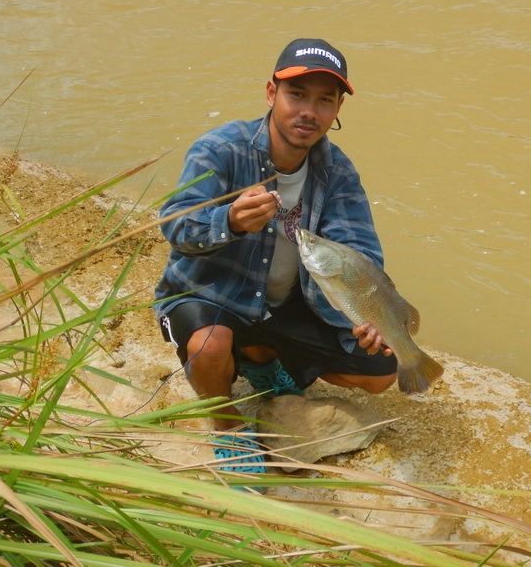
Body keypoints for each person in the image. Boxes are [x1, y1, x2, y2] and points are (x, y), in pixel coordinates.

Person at [154, 38, 397, 475]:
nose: (309, 111)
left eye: (325, 100)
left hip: (283, 304)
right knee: (209, 346)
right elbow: (174, 227)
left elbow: (358, 254)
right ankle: (226, 424)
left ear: (338, 109)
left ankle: (261, 357)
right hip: (211, 297)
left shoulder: (337, 171)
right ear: (271, 93)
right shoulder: (219, 150)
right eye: (297, 94)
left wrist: (368, 316)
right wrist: (228, 220)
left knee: (380, 373)